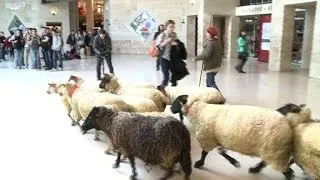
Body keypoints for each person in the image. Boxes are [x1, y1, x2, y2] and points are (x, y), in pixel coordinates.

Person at [194, 26, 223, 91]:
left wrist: (196, 58)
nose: (206, 34)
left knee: (210, 83)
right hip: (216, 65)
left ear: (211, 34)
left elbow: (206, 55)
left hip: (211, 66)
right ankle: (209, 95)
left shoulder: (210, 43)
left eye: (208, 33)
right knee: (208, 83)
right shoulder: (217, 41)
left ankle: (219, 96)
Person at [156, 20, 179, 86]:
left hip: (173, 58)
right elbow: (158, 47)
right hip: (164, 58)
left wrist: (176, 44)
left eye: (173, 27)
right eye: (170, 27)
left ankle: (173, 92)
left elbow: (177, 44)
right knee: (166, 77)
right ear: (166, 27)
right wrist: (166, 42)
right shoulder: (162, 35)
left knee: (174, 77)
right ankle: (162, 91)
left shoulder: (174, 34)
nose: (172, 28)